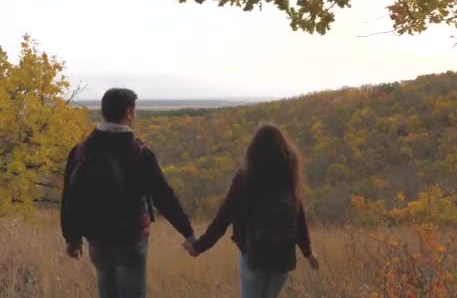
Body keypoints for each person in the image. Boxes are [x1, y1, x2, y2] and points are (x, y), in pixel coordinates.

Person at [61, 88, 195, 298]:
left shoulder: (81, 150)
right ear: (129, 112)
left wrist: (72, 238)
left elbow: (70, 196)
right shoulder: (140, 153)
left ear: (104, 112)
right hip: (131, 238)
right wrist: (188, 233)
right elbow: (164, 197)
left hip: (97, 237)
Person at [184, 124, 319, 298]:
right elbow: (298, 215)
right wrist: (308, 253)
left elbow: (224, 217)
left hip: (255, 254)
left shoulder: (246, 176)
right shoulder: (288, 177)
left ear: (254, 150)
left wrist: (198, 247)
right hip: (283, 257)